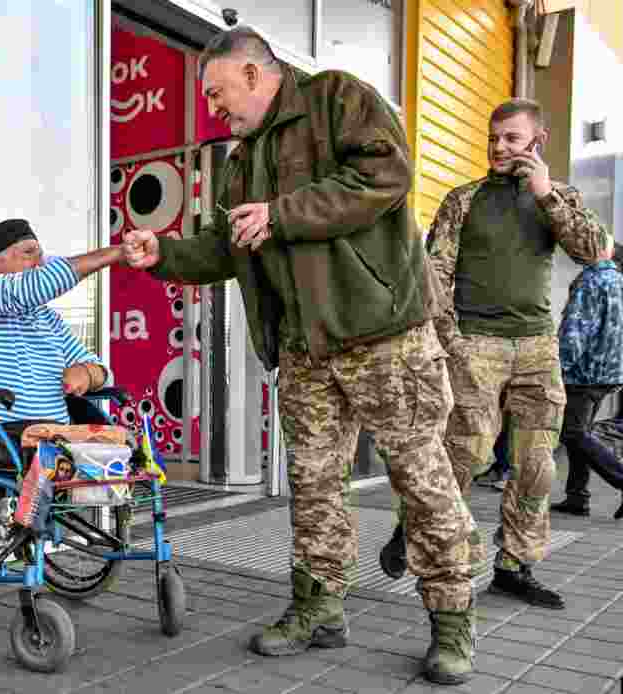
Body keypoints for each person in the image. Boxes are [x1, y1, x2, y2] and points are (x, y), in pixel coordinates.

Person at [122, 27, 475, 685]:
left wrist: (282, 214)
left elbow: (386, 174)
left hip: (384, 337)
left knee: (422, 481)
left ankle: (452, 624)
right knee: (314, 488)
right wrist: (163, 254)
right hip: (304, 352)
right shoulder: (239, 159)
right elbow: (228, 247)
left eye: (219, 94)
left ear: (254, 74)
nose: (213, 111)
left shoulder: (337, 98)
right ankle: (319, 609)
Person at [384, 98, 606, 611]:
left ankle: (513, 566)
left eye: (511, 138)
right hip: (475, 345)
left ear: (537, 142)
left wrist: (546, 194)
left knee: (536, 466)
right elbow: (433, 276)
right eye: (493, 138)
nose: (499, 147)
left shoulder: (559, 197)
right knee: (466, 456)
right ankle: (416, 528)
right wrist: (450, 342)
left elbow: (593, 251)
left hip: (536, 349)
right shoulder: (464, 200)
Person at [0, 219, 122, 428]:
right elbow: (30, 287)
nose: (41, 264)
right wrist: (115, 254)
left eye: (41, 257)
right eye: (29, 253)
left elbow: (105, 375)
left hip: (54, 438)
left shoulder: (47, 319)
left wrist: (88, 373)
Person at [552, 235, 623, 520]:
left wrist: (558, 368)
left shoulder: (589, 283)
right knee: (579, 431)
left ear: (589, 250)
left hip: (583, 374)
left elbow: (573, 334)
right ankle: (577, 497)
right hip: (611, 375)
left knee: (572, 432)